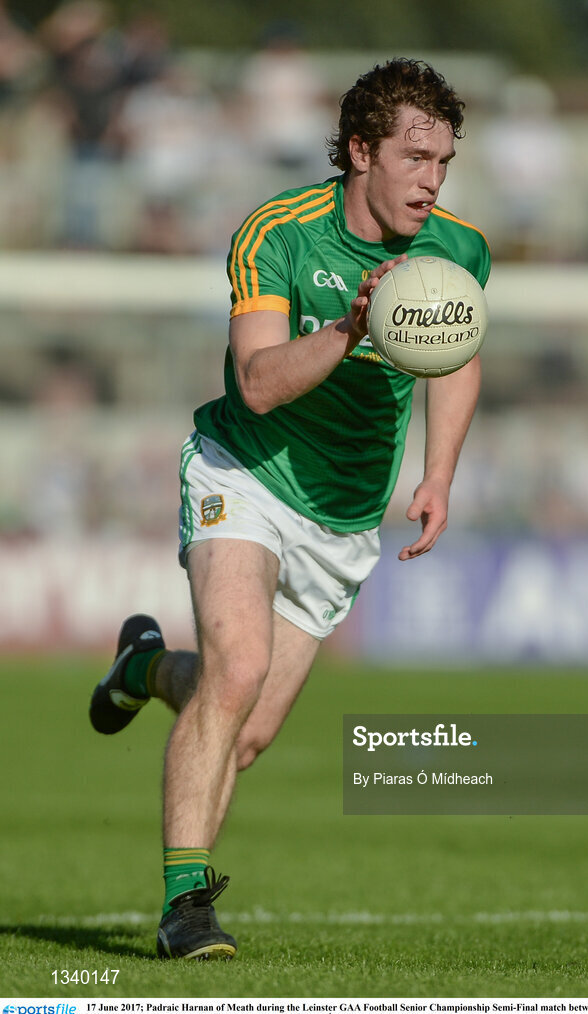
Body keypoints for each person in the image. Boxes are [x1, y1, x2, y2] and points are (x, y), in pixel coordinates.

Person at [88, 57, 491, 961]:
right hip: (246, 471)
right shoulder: (278, 234)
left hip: (345, 515)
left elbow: (457, 351)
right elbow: (260, 385)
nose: (431, 179)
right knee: (237, 670)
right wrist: (352, 328)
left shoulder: (456, 250)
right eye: (414, 157)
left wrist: (440, 473)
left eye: (443, 163)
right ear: (358, 150)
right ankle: (185, 904)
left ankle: (144, 667)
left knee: (246, 728)